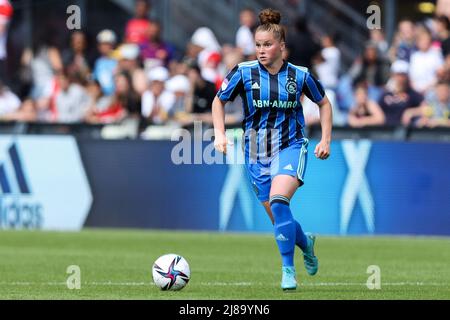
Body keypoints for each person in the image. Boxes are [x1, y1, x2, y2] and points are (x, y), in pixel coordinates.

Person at [212, 8, 333, 291]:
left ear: (281, 46)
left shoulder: (301, 76)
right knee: (280, 217)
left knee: (279, 201)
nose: (262, 50)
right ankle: (307, 243)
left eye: (267, 45)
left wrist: (325, 139)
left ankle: (288, 272)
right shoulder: (243, 72)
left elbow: (324, 103)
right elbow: (219, 101)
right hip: (255, 153)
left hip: (291, 146)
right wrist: (219, 134)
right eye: (258, 45)